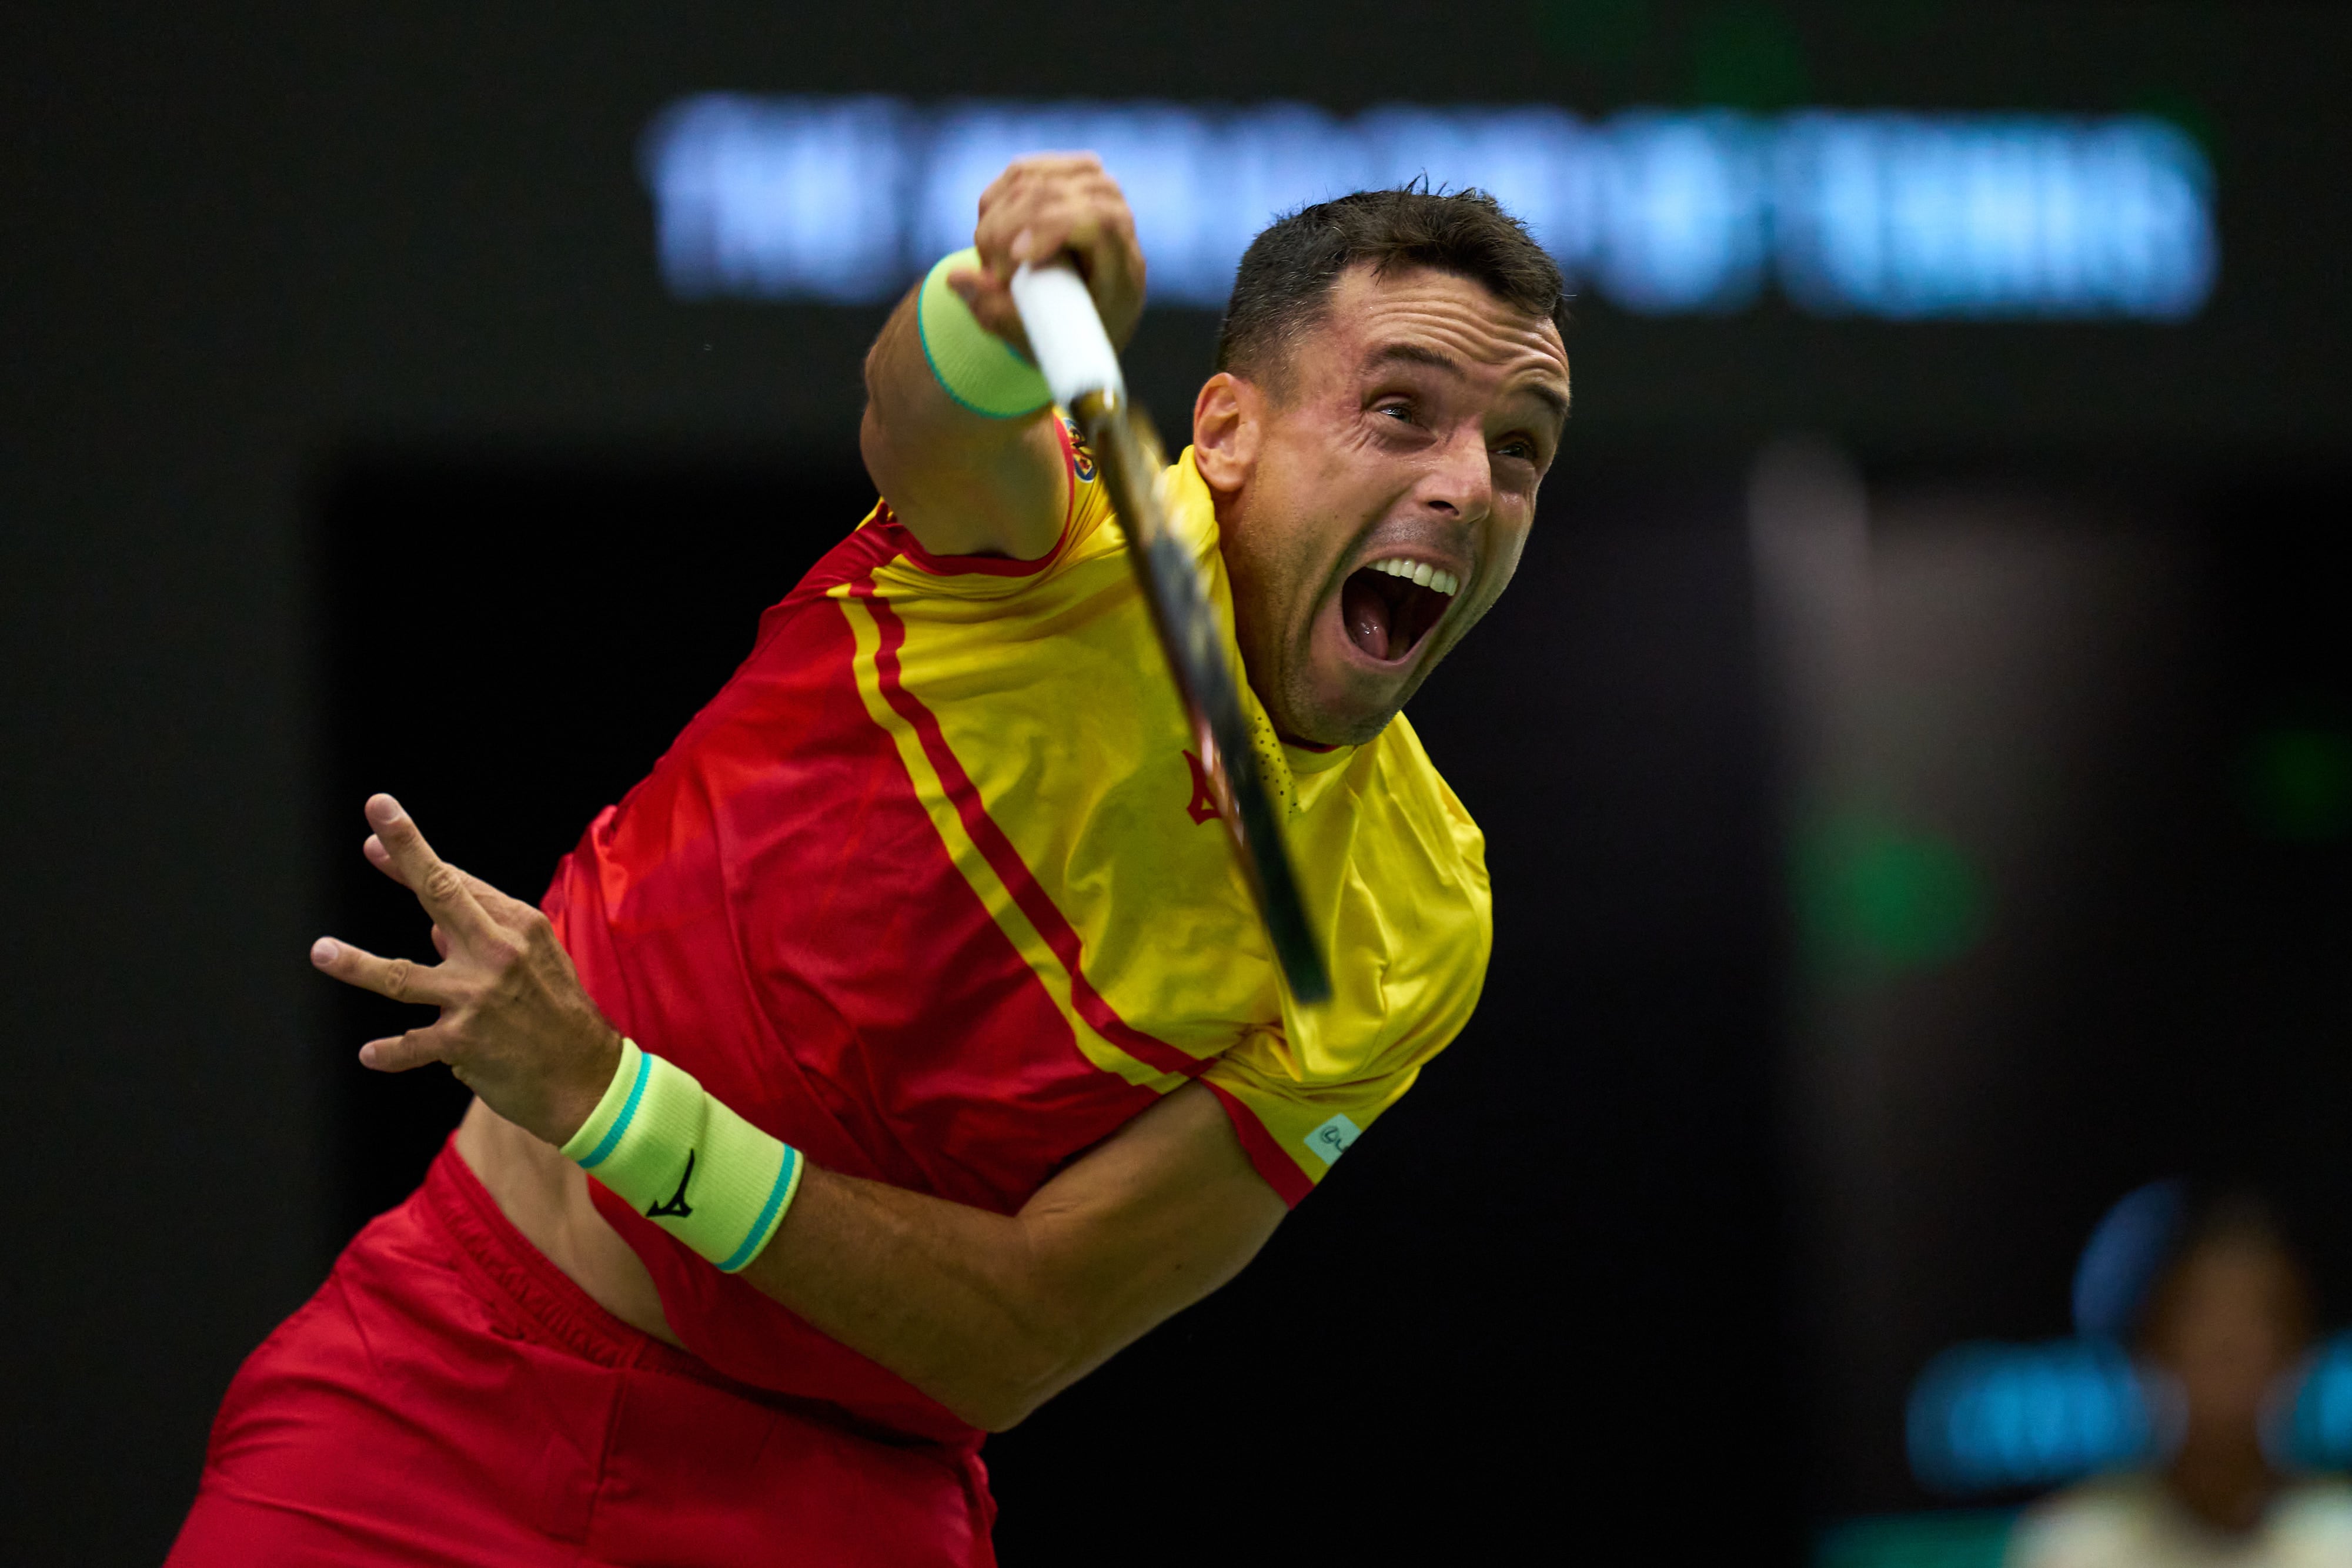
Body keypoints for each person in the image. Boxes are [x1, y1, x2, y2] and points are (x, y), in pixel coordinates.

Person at [168, 153, 1572, 1565]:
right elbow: (920, 414)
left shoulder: (1409, 925)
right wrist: (994, 311)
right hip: (441, 1380)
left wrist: (612, 1103)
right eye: (1400, 412)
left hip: (832, 1506)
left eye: (1519, 448)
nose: (1467, 484)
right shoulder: (1051, 544)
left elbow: (1018, 1339)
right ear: (1223, 431)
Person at [2009, 1188, 2352, 1567]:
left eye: (2257, 1316)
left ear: (2298, 1348)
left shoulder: (2340, 1538)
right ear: (2155, 1341)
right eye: (2204, 1313)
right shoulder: (2075, 1543)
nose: (2229, 1342)